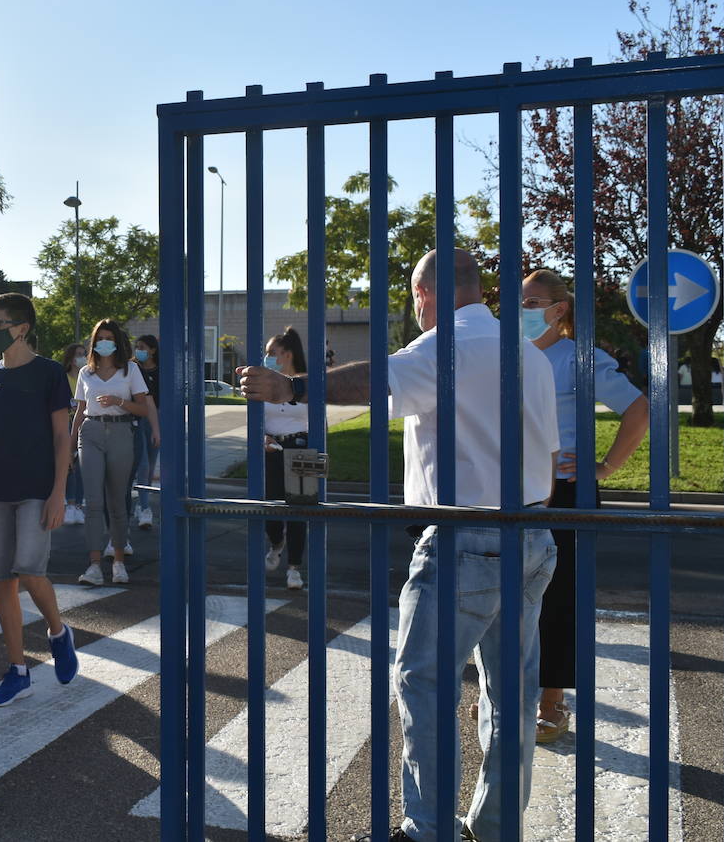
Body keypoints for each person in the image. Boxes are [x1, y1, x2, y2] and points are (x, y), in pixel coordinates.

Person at [239, 248, 559, 842]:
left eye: (415, 298)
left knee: (426, 684)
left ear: (425, 293)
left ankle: (429, 829)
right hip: (532, 532)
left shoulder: (447, 344)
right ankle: (494, 828)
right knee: (511, 694)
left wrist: (291, 385)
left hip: (464, 537)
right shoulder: (524, 350)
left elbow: (376, 379)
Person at [522, 268, 647, 743]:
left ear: (560, 310)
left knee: (556, 597)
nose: (523, 313)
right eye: (519, 303)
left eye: (533, 304)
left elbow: (638, 409)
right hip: (511, 490)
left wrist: (605, 468)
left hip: (565, 490)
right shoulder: (506, 358)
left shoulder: (578, 359)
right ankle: (511, 693)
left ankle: (552, 702)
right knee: (509, 595)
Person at [0, 292, 79, 705]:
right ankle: (17, 671)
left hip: (36, 489)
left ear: (22, 327)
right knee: (2, 582)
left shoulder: (48, 373)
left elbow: (63, 436)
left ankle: (57, 631)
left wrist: (58, 494)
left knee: (29, 570)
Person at [73, 319, 158, 587]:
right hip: (91, 433)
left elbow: (144, 409)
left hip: (122, 433)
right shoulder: (86, 372)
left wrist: (119, 402)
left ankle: (119, 561)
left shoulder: (130, 369)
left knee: (118, 501)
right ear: (94, 342)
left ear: (117, 342)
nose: (105, 342)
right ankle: (95, 565)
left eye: (110, 338)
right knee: (93, 502)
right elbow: (79, 410)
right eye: (100, 338)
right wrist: (69, 441)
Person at [261, 329, 308, 590]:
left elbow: (318, 420)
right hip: (272, 448)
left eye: (272, 353)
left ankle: (294, 568)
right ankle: (277, 542)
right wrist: (263, 437)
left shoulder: (306, 382)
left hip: (301, 446)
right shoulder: (265, 384)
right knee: (272, 508)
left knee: (299, 510)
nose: (267, 357)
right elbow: (254, 419)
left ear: (287, 354)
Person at [129, 335, 162, 532]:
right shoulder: (133, 368)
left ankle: (143, 500)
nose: (138, 350)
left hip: (156, 418)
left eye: (142, 347)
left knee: (149, 465)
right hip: (137, 417)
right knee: (141, 463)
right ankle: (144, 507)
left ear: (152, 350)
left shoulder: (162, 370)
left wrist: (158, 426)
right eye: (136, 347)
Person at [60, 344, 88, 525]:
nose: (82, 358)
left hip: (85, 424)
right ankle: (70, 504)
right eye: (78, 355)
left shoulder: (87, 378)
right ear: (70, 358)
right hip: (66, 424)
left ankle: (78, 504)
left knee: (82, 466)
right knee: (69, 464)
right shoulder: (63, 379)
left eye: (84, 354)